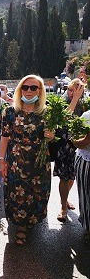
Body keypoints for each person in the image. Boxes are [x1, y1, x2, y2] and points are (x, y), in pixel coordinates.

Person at [0, 75, 55, 246]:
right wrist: (2, 160)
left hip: (39, 162)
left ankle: (31, 220)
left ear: (40, 91)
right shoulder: (10, 112)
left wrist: (51, 136)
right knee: (18, 194)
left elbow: (50, 138)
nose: (29, 91)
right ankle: (20, 227)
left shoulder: (47, 112)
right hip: (17, 162)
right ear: (19, 90)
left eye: (33, 88)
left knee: (38, 192)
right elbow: (5, 138)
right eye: (25, 87)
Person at [53, 78, 86, 222]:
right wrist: (75, 99)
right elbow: (64, 118)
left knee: (72, 176)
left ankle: (65, 200)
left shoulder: (84, 104)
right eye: (71, 89)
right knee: (63, 176)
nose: (73, 93)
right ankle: (63, 207)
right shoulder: (63, 101)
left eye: (77, 90)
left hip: (80, 145)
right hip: (65, 144)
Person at [72, 109, 90, 240]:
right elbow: (75, 141)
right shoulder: (87, 116)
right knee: (86, 196)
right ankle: (88, 228)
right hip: (86, 161)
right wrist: (87, 138)